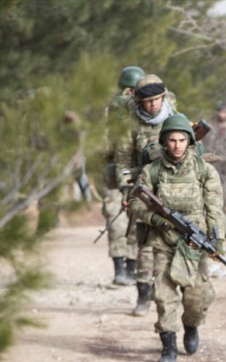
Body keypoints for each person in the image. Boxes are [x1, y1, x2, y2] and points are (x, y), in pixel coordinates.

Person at [128, 114, 226, 362]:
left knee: (197, 298)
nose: (177, 145)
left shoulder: (204, 170)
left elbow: (215, 209)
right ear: (165, 142)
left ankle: (191, 325)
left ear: (190, 141)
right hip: (163, 243)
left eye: (182, 140)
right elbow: (136, 205)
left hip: (195, 245)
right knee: (164, 296)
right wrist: (157, 220)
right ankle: (168, 347)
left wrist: (218, 241)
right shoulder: (152, 171)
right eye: (172, 140)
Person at [114, 73, 178, 315]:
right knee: (145, 243)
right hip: (144, 188)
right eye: (148, 101)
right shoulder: (129, 125)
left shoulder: (173, 117)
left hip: (173, 185)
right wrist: (127, 189)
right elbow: (123, 162)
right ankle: (143, 295)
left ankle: (172, 292)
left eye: (157, 100)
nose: (153, 105)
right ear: (139, 102)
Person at [102, 65, 145, 286]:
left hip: (136, 172)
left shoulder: (144, 110)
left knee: (134, 219)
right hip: (113, 170)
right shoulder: (113, 109)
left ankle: (130, 267)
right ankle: (122, 268)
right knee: (117, 217)